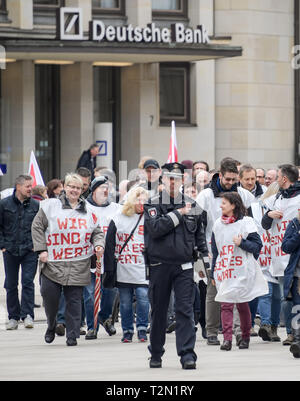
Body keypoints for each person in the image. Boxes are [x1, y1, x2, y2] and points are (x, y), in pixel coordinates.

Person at [144, 162, 209, 370]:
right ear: (162, 179)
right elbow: (155, 229)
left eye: (177, 178)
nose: (172, 182)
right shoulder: (152, 204)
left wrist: (205, 266)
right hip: (159, 265)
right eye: (169, 178)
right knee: (159, 312)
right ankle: (156, 353)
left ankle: (187, 354)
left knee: (185, 310)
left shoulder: (195, 206)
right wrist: (178, 213)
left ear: (183, 181)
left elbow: (200, 240)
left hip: (184, 266)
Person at [31, 173, 105, 346]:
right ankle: (51, 325)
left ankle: (72, 335)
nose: (74, 190)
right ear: (65, 187)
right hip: (52, 262)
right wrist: (41, 249)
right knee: (50, 297)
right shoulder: (50, 206)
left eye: (78, 188)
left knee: (74, 300)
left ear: (82, 190)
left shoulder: (90, 210)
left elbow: (97, 232)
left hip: (78, 262)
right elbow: (37, 226)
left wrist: (99, 245)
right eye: (71, 186)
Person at [196, 158, 255, 346]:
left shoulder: (243, 194)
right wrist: (202, 249)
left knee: (238, 292)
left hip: (238, 250)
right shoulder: (205, 196)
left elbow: (252, 219)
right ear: (220, 175)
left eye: (233, 180)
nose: (230, 183)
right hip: (213, 246)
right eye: (227, 179)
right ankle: (212, 330)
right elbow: (197, 223)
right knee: (213, 290)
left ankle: (238, 332)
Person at [211, 192, 267, 351]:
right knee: (226, 304)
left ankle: (245, 337)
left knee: (242, 305)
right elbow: (216, 251)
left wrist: (242, 243)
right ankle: (227, 339)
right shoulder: (217, 224)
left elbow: (257, 246)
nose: (221, 206)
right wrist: (213, 271)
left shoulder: (247, 223)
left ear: (233, 205)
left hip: (242, 270)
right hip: (225, 270)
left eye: (224, 203)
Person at [104, 186, 150, 343]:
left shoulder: (150, 217)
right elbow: (109, 243)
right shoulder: (119, 217)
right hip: (124, 266)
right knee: (125, 302)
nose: (141, 203)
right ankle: (127, 330)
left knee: (143, 297)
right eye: (138, 200)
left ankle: (142, 328)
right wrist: (109, 268)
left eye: (144, 200)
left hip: (142, 266)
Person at [262, 164, 300, 345]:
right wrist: (269, 214)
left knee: (296, 295)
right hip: (280, 253)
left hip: (296, 254)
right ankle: (291, 333)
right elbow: (265, 224)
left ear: (284, 178)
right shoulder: (276, 198)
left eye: (278, 176)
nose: (276, 179)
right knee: (287, 297)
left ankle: (295, 333)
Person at [0, 175, 39, 330]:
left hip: (30, 249)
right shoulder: (4, 204)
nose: (31, 189)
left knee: (28, 282)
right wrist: (2, 245)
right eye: (28, 186)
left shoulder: (36, 205)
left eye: (31, 186)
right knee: (10, 284)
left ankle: (28, 315)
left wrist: (37, 245)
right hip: (10, 250)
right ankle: (13, 317)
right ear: (18, 186)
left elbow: (40, 227)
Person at [84, 175, 121, 340]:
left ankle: (105, 317)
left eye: (108, 188)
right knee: (90, 294)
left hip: (110, 258)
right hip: (90, 256)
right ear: (93, 190)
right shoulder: (83, 207)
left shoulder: (116, 208)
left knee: (109, 293)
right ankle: (92, 327)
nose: (105, 191)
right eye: (102, 188)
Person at [252, 184, 282, 342]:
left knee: (277, 295)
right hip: (263, 251)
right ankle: (266, 324)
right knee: (266, 291)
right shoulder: (256, 207)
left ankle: (274, 326)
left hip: (279, 252)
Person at [282, 210, 300, 358]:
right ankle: (298, 342)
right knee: (297, 308)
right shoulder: (294, 224)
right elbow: (286, 247)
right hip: (297, 276)